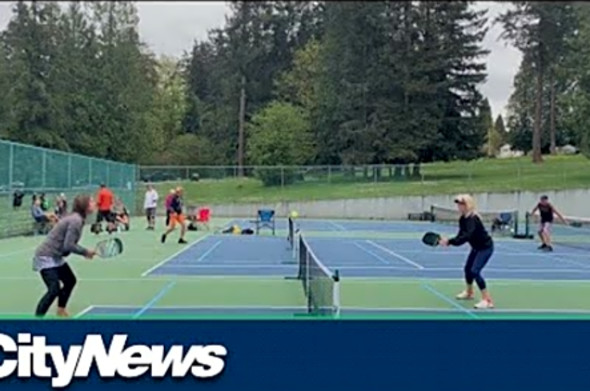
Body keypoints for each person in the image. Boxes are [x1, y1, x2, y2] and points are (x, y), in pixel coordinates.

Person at [33, 194, 96, 317]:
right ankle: (37, 319)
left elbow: (66, 246)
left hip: (56, 256)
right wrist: (85, 252)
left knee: (70, 280)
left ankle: (61, 310)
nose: (95, 203)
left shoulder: (78, 219)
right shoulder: (76, 220)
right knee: (54, 289)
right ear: (84, 206)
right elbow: (68, 245)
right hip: (45, 256)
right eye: (91, 201)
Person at [438, 194, 495, 309]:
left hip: (485, 248)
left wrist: (450, 241)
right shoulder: (462, 219)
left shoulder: (473, 219)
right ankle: (469, 293)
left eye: (461, 204)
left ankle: (487, 300)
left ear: (468, 205)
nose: (459, 206)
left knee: (475, 271)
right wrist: (450, 241)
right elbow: (461, 236)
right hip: (476, 248)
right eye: (458, 204)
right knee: (467, 270)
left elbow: (467, 236)